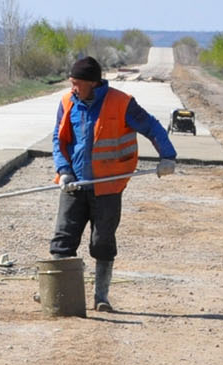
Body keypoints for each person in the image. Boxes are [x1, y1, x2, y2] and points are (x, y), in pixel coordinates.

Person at [51, 56, 177, 311]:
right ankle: (57, 291)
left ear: (93, 83)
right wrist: (64, 171)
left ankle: (101, 297)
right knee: (63, 240)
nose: (73, 88)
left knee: (102, 242)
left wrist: (167, 156)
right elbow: (58, 139)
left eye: (77, 83)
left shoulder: (122, 103)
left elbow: (152, 126)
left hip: (108, 187)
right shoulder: (67, 102)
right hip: (74, 186)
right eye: (71, 83)